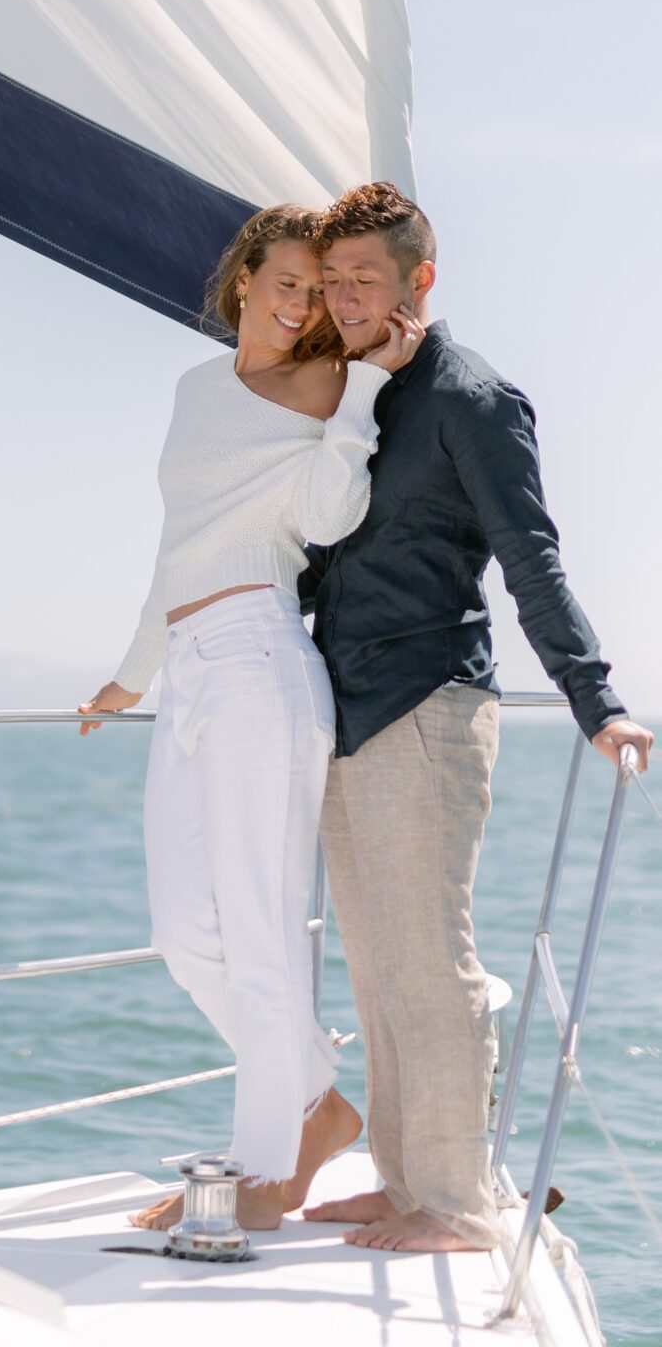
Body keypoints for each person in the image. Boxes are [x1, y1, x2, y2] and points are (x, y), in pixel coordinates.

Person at [297, 181, 654, 1253]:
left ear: (419, 280)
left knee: (429, 960)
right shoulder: (365, 394)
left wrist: (596, 698)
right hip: (343, 710)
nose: (344, 297)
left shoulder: (470, 397)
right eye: (331, 281)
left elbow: (529, 558)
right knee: (375, 962)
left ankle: (453, 1206)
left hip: (426, 707)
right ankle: (406, 1177)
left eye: (364, 277)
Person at [78, 203, 422, 1230]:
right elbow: (176, 542)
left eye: (319, 290)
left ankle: (262, 1164)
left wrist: (361, 391)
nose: (302, 301)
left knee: (263, 936)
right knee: (185, 932)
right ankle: (314, 1104)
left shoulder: (327, 384)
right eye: (286, 281)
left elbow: (323, 521)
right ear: (241, 281)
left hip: (261, 665)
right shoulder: (194, 389)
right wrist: (131, 674)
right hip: (189, 672)